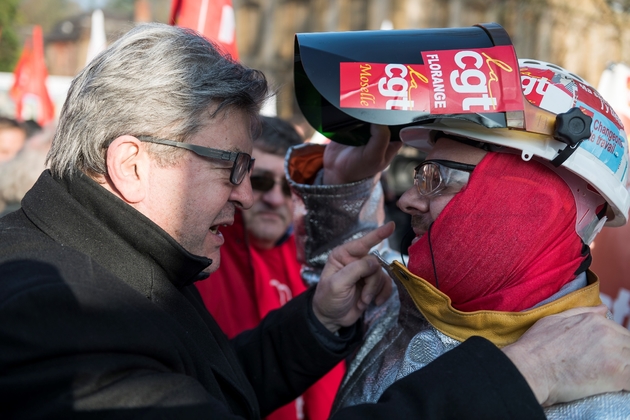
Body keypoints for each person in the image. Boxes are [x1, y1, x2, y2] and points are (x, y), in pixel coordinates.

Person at [0, 22, 628, 420]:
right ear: (131, 166)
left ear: (537, 200)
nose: (250, 196)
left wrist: (320, 322)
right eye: (232, 166)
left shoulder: (603, 391)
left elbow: (208, 388)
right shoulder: (60, 315)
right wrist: (525, 376)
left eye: (437, 175)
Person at [285, 57, 630, 418]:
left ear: (535, 203)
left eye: (437, 178)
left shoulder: (604, 401)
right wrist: (342, 186)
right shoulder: (418, 306)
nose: (407, 200)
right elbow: (345, 284)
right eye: (421, 175)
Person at [195, 115, 345, 420]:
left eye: (289, 187)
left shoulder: (317, 262)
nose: (276, 198)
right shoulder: (197, 262)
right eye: (260, 181)